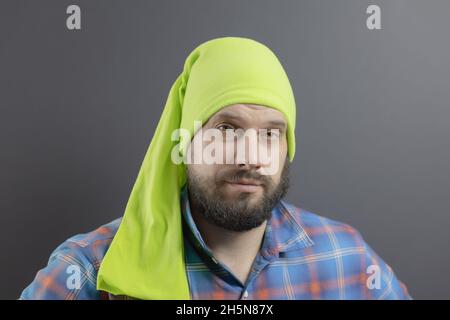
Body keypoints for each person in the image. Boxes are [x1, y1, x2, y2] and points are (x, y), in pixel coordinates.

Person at [20, 37, 411, 300]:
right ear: (183, 140)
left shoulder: (349, 261)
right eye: (227, 129)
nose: (250, 157)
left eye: (271, 134)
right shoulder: (89, 272)